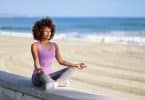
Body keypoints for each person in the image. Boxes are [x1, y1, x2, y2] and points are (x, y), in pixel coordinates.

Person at [31, 17, 87, 90]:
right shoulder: (35, 45)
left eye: (50, 31)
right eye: (46, 31)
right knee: (43, 76)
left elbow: (61, 61)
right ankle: (60, 83)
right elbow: (36, 62)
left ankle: (55, 84)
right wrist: (39, 69)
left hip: (51, 76)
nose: (49, 33)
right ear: (40, 31)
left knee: (72, 68)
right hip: (39, 76)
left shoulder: (54, 45)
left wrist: (75, 65)